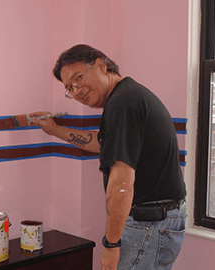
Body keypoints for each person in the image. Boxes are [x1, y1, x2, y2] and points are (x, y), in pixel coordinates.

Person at [31, 44, 187, 270]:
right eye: (70, 88)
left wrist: (110, 244)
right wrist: (54, 129)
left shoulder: (123, 104)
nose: (77, 91)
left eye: (78, 78)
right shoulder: (127, 97)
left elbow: (122, 182)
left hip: (148, 223)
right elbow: (103, 144)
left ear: (101, 65)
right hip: (159, 219)